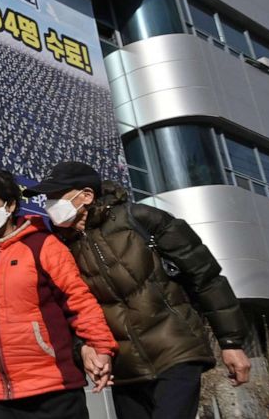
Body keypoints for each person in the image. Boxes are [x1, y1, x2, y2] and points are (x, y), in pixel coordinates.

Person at [23, 161, 251, 419]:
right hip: (125, 370)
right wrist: (82, 349)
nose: (50, 205)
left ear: (86, 195)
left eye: (56, 196)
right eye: (47, 198)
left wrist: (231, 342)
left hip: (175, 349)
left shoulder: (141, 218)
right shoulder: (57, 248)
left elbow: (206, 277)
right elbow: (65, 310)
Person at [0, 168, 117, 419]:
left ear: (9, 206)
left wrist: (100, 346)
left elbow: (77, 299)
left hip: (52, 389)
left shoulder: (43, 245)